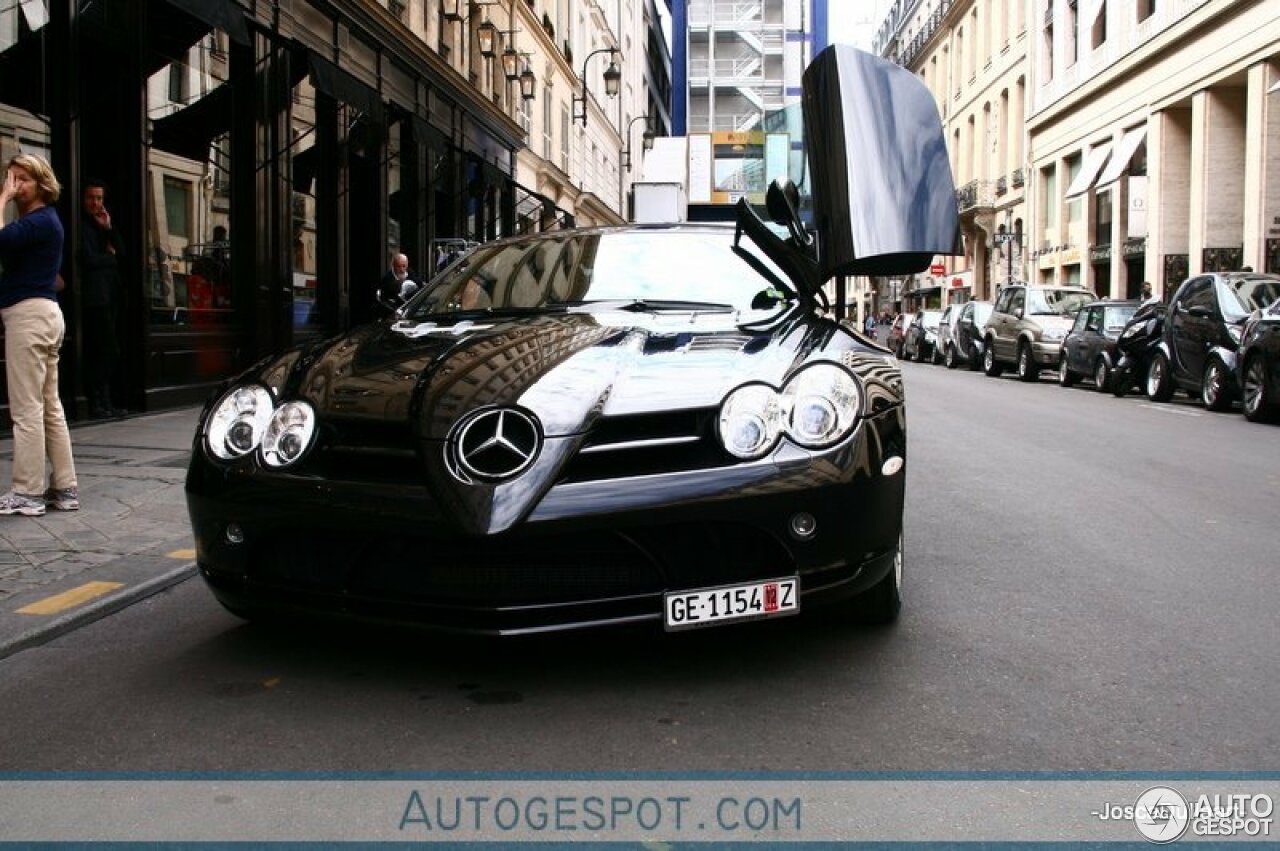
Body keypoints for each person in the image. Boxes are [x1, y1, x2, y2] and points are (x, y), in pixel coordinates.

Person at [0, 154, 79, 517]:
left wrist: (1, 200)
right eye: (11, 179)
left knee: (27, 408)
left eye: (22, 180)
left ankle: (27, 492)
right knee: (50, 407)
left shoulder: (38, 221)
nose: (15, 186)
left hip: (29, 317)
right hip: (45, 315)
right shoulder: (47, 222)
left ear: (41, 183)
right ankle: (64, 488)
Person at [78, 178, 126, 417]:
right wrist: (110, 258)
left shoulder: (101, 225)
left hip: (110, 295)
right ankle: (97, 402)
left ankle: (106, 402)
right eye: (91, 198)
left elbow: (123, 253)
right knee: (107, 350)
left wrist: (109, 229)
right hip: (94, 298)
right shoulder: (81, 226)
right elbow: (87, 260)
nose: (95, 203)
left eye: (99, 198)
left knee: (106, 350)